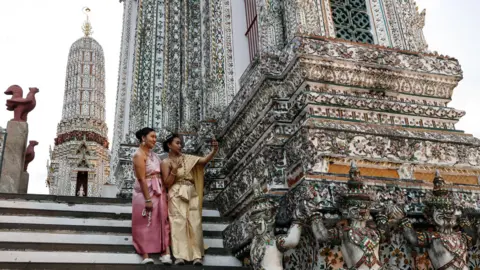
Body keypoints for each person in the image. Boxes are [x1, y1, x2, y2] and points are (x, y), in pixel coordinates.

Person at [161, 133, 218, 265]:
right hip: (176, 192)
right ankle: (180, 256)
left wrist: (214, 150)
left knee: (195, 222)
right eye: (177, 143)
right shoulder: (165, 162)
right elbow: (167, 183)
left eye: (181, 143)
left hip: (191, 191)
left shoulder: (188, 158)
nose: (180, 145)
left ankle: (197, 256)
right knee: (178, 223)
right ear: (169, 145)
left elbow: (203, 161)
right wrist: (174, 170)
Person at [132, 127, 172, 264]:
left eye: (156, 137)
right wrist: (147, 198)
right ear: (143, 138)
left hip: (158, 188)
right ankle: (145, 254)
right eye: (152, 137)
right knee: (145, 220)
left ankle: (165, 251)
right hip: (145, 190)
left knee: (162, 218)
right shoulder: (139, 155)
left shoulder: (154, 155)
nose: (155, 140)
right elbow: (141, 178)